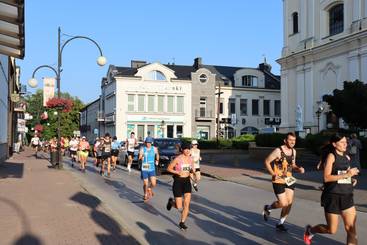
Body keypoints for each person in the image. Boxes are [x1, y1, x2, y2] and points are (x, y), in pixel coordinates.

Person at [304, 134, 359, 245]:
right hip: (332, 196)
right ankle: (310, 230)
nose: (345, 144)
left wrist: (352, 178)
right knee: (331, 230)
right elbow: (326, 177)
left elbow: (346, 173)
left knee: (351, 229)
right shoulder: (331, 156)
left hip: (347, 195)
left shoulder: (347, 156)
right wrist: (347, 174)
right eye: (342, 142)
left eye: (346, 142)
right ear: (334, 144)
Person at [262, 132, 305, 232]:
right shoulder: (278, 150)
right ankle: (268, 208)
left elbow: (293, 165)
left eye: (294, 140)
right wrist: (273, 174)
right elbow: (267, 161)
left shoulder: (294, 151)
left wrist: (299, 169)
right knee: (283, 203)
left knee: (289, 203)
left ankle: (280, 223)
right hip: (278, 180)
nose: (292, 142)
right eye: (290, 140)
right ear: (285, 140)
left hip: (289, 178)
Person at [166, 142, 195, 230]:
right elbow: (169, 168)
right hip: (178, 182)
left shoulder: (191, 159)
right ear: (182, 150)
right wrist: (177, 172)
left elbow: (191, 170)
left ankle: (182, 222)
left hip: (186, 182)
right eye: (186, 149)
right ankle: (171, 202)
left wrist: (193, 176)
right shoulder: (178, 159)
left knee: (186, 204)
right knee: (179, 206)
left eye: (189, 149)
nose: (187, 150)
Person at [138, 137, 159, 201]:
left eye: (149, 143)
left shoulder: (154, 149)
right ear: (145, 143)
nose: (148, 144)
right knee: (145, 183)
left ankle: (149, 188)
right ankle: (145, 194)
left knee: (154, 183)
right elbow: (139, 157)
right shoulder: (142, 149)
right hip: (144, 168)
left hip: (152, 168)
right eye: (147, 143)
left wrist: (157, 160)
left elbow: (157, 154)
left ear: (151, 143)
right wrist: (142, 157)